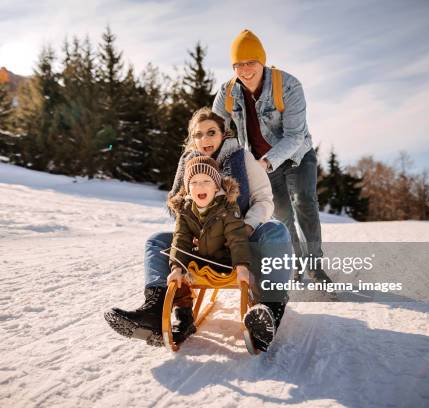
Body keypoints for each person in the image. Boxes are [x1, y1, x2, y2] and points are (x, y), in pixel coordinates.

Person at [105, 107, 294, 352]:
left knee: (276, 231)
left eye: (211, 133)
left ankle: (269, 310)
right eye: (198, 135)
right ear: (191, 138)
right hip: (204, 241)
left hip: (242, 236)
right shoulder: (188, 163)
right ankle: (155, 309)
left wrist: (247, 226)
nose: (204, 140)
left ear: (224, 134)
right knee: (156, 241)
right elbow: (178, 207)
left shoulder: (241, 157)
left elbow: (265, 200)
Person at [212, 29, 332, 284]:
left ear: (262, 61)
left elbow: (295, 135)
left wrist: (264, 162)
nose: (245, 70)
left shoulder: (288, 86)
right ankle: (297, 262)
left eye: (251, 63)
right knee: (281, 215)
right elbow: (215, 130)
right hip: (261, 162)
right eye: (238, 65)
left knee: (304, 203)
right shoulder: (228, 93)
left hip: (297, 155)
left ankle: (315, 265)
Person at [165, 156, 251, 344]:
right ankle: (184, 314)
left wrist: (241, 265)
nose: (200, 187)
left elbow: (237, 238)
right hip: (201, 258)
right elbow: (181, 239)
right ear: (187, 188)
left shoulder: (228, 206)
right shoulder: (185, 209)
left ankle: (255, 311)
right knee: (175, 267)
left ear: (216, 186)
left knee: (248, 262)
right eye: (194, 182)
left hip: (225, 261)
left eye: (206, 181)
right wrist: (176, 268)